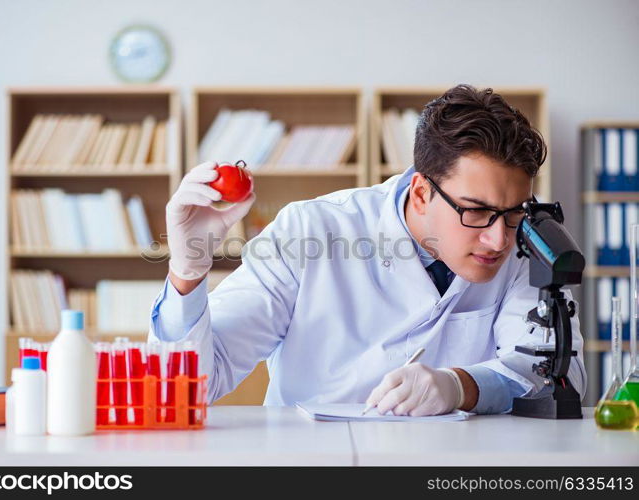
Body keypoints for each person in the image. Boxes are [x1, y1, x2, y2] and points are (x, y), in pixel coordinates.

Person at [149, 84, 586, 416]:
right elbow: (190, 389)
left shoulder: (524, 244)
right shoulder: (311, 231)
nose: (499, 240)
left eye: (513, 213)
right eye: (475, 212)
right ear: (420, 193)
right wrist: (188, 271)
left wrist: (462, 385)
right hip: (309, 466)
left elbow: (560, 374)